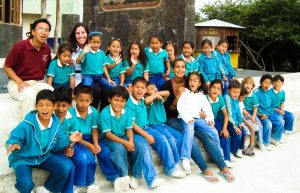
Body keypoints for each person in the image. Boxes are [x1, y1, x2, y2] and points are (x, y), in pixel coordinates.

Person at [162, 58, 233, 183]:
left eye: (182, 67)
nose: (180, 69)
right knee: (190, 136)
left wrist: (204, 113)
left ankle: (222, 166)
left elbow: (201, 99)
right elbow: (168, 109)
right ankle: (204, 168)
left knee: (206, 136)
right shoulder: (167, 85)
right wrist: (178, 96)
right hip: (172, 118)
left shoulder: (190, 81)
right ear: (173, 69)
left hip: (193, 117)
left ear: (186, 69)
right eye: (177, 67)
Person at [6, 89, 82, 193]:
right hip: (23, 158)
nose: (44, 108)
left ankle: (47, 189)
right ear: (36, 107)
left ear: (54, 106)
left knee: (66, 167)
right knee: (25, 184)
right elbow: (14, 138)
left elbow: (57, 146)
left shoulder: (56, 124)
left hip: (43, 156)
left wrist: (69, 139)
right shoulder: (27, 123)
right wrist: (14, 144)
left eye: (48, 105)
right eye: (40, 105)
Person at [100, 86, 156, 191]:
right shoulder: (105, 113)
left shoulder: (126, 111)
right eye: (116, 100)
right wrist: (125, 142)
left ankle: (135, 175)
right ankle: (124, 176)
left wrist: (130, 140)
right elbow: (108, 134)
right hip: (110, 138)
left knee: (139, 146)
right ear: (109, 99)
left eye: (122, 101)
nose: (119, 103)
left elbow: (129, 129)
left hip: (124, 136)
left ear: (126, 102)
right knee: (119, 149)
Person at [69, 84, 120, 193]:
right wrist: (90, 146)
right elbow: (74, 136)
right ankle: (89, 183)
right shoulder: (70, 113)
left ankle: (114, 177)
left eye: (87, 101)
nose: (83, 103)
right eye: (80, 100)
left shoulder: (93, 111)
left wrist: (96, 144)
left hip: (92, 138)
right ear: (75, 98)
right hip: (78, 141)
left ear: (92, 100)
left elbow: (94, 129)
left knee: (105, 152)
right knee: (89, 157)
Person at [3, 18, 54, 117]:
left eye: (47, 30)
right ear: (33, 32)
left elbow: (50, 67)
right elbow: (6, 67)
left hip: (37, 83)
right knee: (30, 96)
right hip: (17, 83)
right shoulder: (20, 46)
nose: (44, 32)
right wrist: (19, 81)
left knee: (51, 92)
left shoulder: (46, 48)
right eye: (40, 29)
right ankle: (29, 128)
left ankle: (47, 126)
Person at [177, 72, 223, 172]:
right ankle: (185, 157)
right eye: (190, 80)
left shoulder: (201, 95)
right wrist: (187, 118)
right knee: (189, 130)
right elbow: (180, 107)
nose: (192, 83)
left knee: (213, 130)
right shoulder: (185, 93)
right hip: (186, 118)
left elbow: (207, 108)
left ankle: (219, 153)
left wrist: (209, 119)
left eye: (195, 80)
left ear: (199, 83)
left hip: (198, 118)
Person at [145, 82, 186, 178]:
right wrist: (155, 95)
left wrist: (157, 94)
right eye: (150, 88)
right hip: (154, 125)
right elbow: (146, 101)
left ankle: (179, 160)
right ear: (146, 93)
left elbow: (167, 92)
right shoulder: (148, 100)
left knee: (180, 136)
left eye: (154, 86)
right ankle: (173, 166)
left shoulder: (160, 98)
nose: (154, 88)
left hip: (164, 124)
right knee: (170, 139)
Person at [253, 74, 284, 148]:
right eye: (265, 82)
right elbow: (255, 106)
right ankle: (263, 143)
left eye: (269, 83)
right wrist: (261, 114)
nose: (267, 85)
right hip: (259, 114)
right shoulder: (256, 93)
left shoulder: (269, 93)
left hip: (268, 113)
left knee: (281, 121)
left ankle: (274, 138)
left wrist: (268, 113)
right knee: (268, 124)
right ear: (260, 82)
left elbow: (272, 105)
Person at [206, 80, 231, 167]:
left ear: (220, 91)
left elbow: (226, 114)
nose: (215, 90)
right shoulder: (205, 98)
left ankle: (227, 158)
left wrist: (224, 128)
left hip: (215, 120)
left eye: (218, 89)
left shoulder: (220, 98)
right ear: (209, 88)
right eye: (213, 87)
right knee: (215, 135)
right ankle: (219, 157)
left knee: (225, 134)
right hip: (206, 121)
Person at [224, 80, 246, 158]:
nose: (236, 94)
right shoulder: (227, 98)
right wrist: (235, 126)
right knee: (237, 134)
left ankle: (239, 149)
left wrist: (240, 122)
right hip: (228, 123)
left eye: (238, 92)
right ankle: (231, 151)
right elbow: (229, 114)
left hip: (235, 122)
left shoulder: (235, 99)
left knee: (243, 131)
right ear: (229, 90)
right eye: (234, 92)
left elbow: (238, 112)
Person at [241, 76, 264, 150]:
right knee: (247, 127)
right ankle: (245, 144)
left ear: (252, 86)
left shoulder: (253, 96)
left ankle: (260, 143)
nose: (248, 85)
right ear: (243, 85)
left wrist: (254, 116)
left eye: (250, 84)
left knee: (259, 125)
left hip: (251, 112)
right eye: (246, 83)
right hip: (243, 112)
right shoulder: (241, 94)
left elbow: (255, 107)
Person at [270, 75, 294, 143]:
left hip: (279, 109)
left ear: (282, 83)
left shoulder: (282, 92)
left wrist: (282, 110)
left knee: (290, 116)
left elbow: (282, 102)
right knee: (280, 119)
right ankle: (275, 137)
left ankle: (283, 133)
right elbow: (268, 106)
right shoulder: (269, 92)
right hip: (271, 110)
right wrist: (279, 111)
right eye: (275, 82)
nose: (277, 83)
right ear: (272, 83)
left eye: (279, 82)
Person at [238, 87, 256, 157]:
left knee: (254, 127)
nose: (244, 99)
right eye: (243, 97)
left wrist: (252, 119)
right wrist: (249, 124)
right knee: (247, 131)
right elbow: (240, 116)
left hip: (243, 119)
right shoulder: (236, 102)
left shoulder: (241, 101)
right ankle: (243, 148)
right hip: (240, 120)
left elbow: (244, 111)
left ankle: (251, 147)